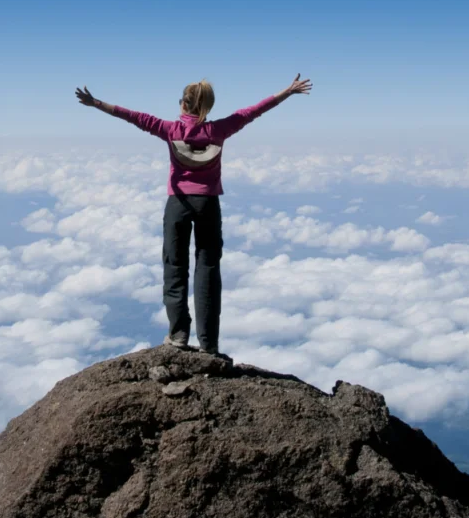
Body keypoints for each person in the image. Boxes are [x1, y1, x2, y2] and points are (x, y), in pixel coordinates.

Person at [74, 75, 313, 356]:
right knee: (208, 270)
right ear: (207, 107)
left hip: (177, 204)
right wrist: (287, 91)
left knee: (174, 268)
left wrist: (96, 103)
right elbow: (255, 110)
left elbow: (132, 116)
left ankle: (178, 335)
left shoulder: (169, 129)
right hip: (208, 204)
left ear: (183, 104)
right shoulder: (220, 129)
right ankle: (209, 343)